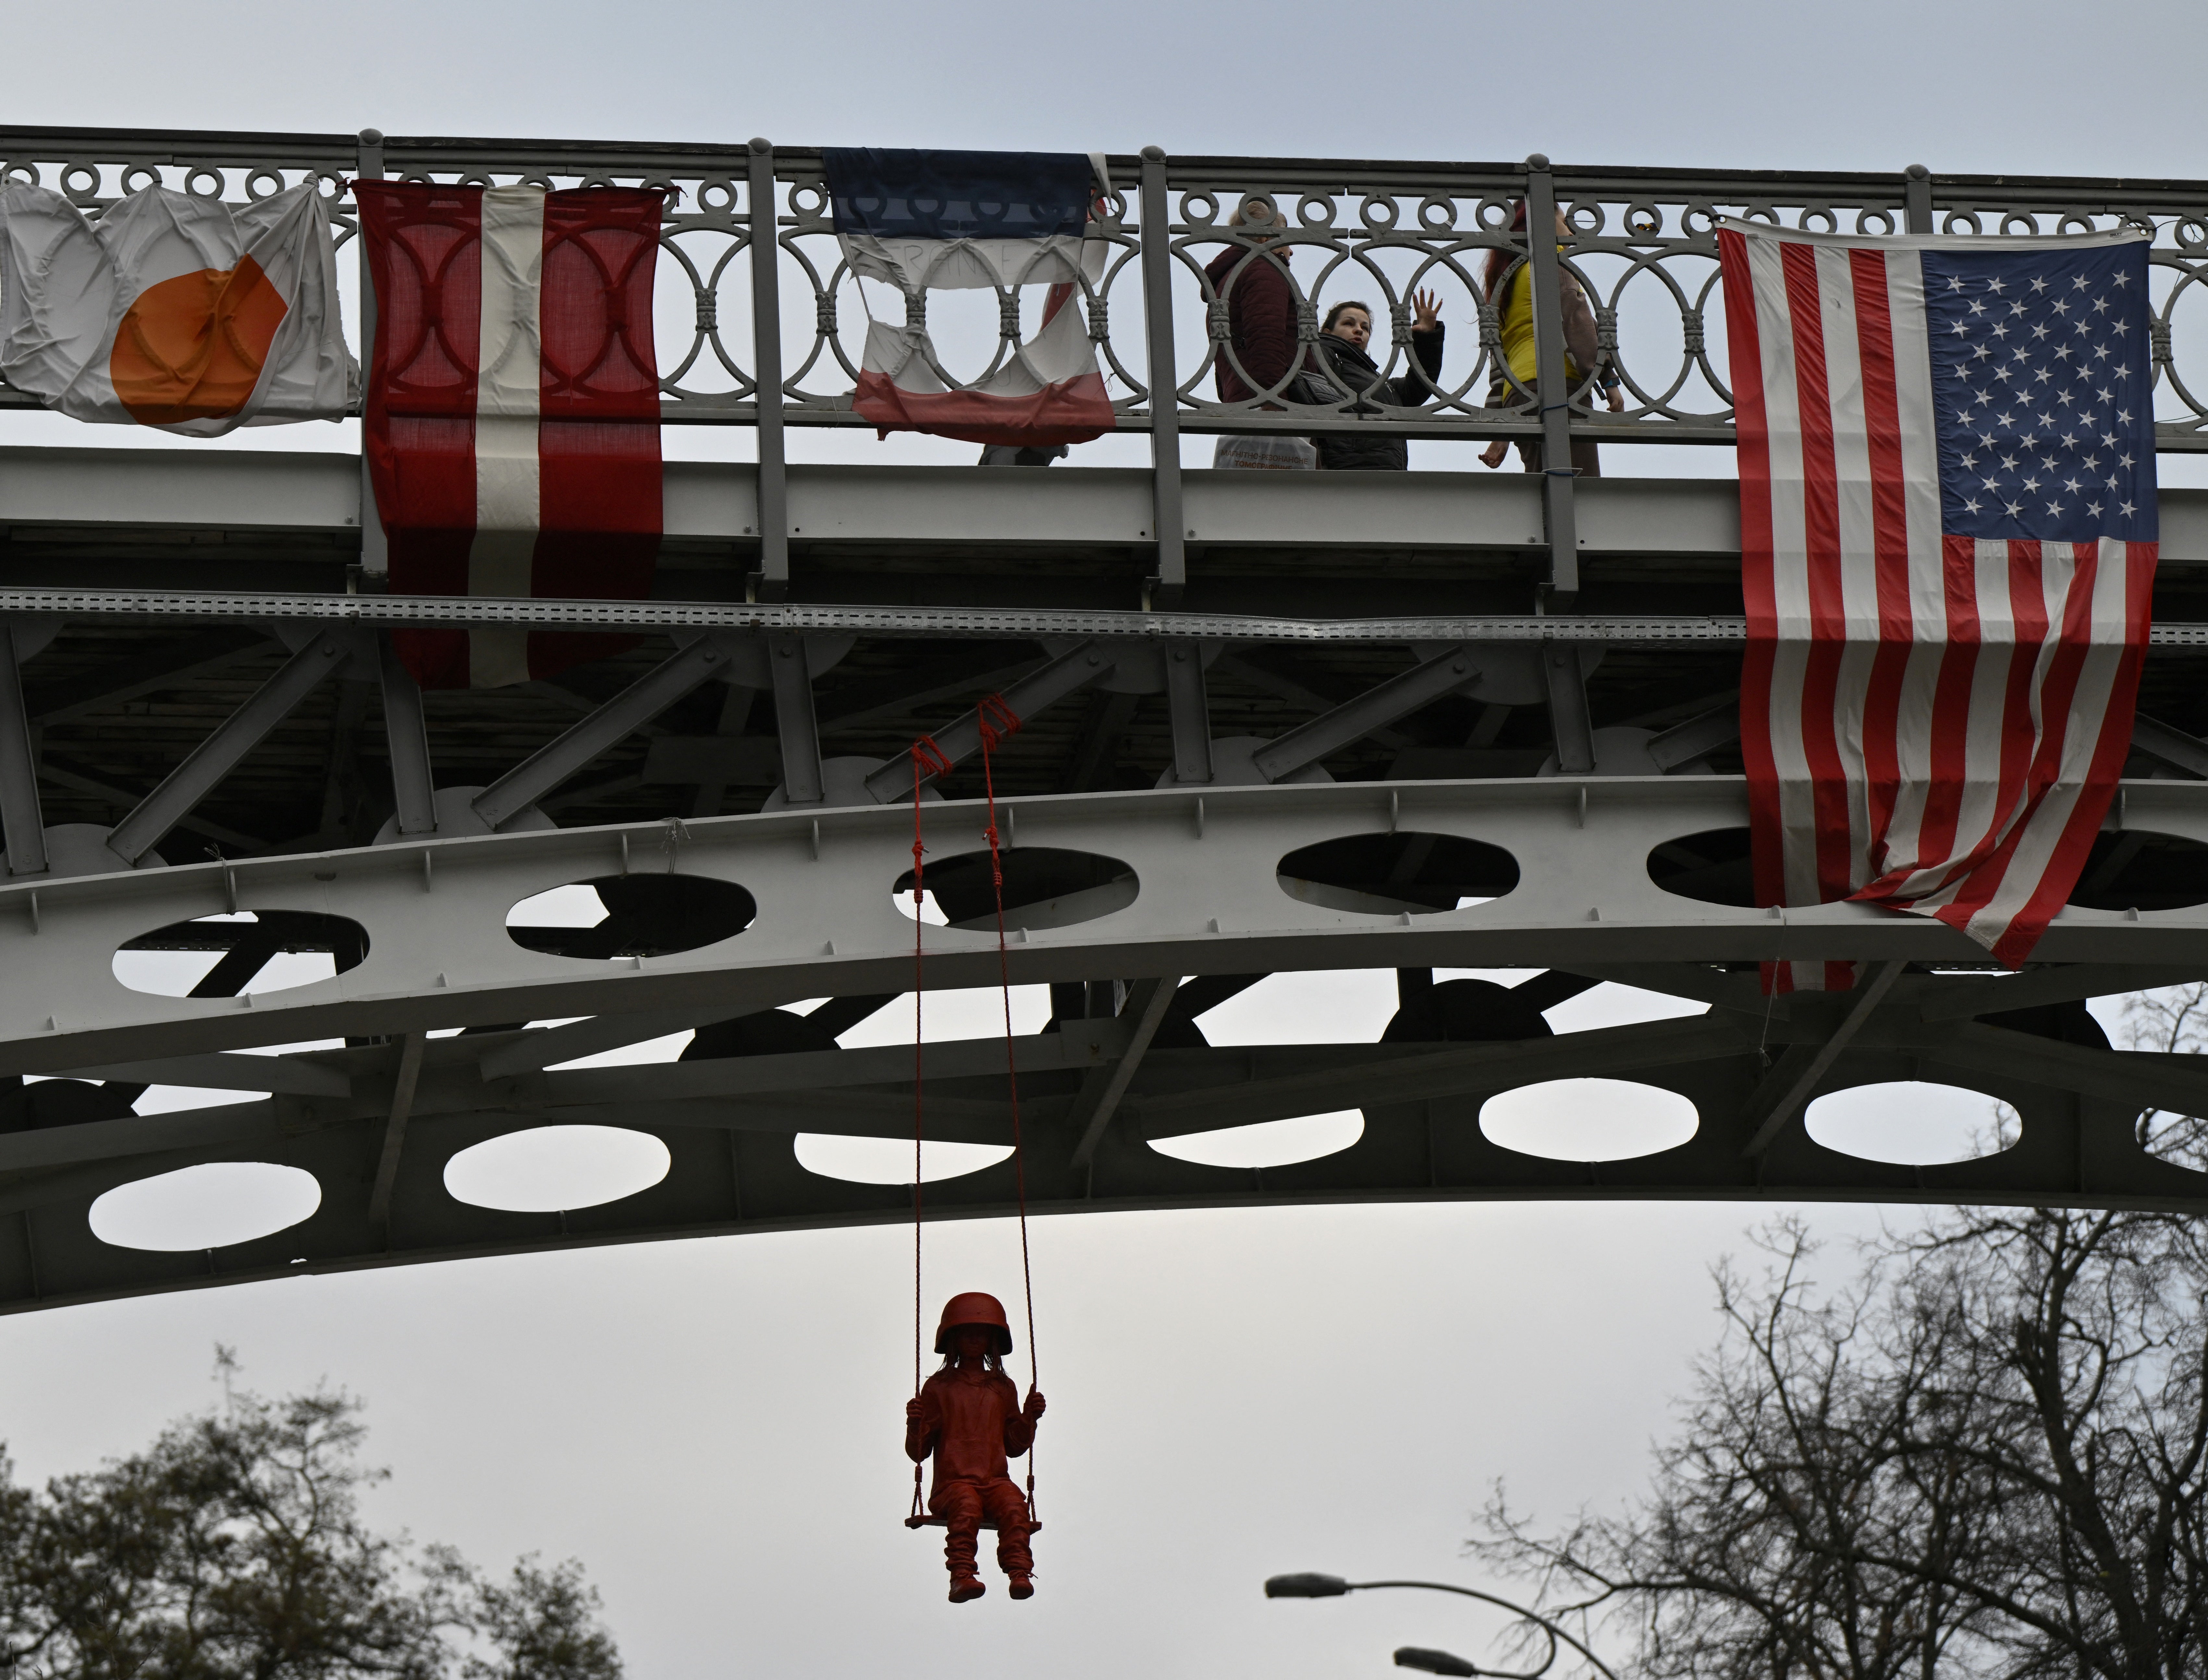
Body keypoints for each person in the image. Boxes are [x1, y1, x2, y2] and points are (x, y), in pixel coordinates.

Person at [904, 1291, 1046, 1603]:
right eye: (967, 1332)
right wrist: (915, 1424)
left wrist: (1029, 1418)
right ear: (953, 1338)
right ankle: (962, 1576)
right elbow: (919, 1452)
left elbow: (1014, 1446)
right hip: (953, 1486)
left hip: (995, 1481)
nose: (974, 1339)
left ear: (992, 1340)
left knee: (1013, 1506)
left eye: (981, 1333)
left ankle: (1019, 1572)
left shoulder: (1002, 1387)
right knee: (966, 1507)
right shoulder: (939, 1387)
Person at [1479, 200, 1623, 477]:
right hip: (1561, 388)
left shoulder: (1505, 282)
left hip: (1518, 397)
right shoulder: (1552, 262)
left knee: (1543, 489)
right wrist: (1608, 379)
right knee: (1580, 492)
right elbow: (1576, 320)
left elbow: (1500, 361)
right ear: (1546, 225)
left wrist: (1502, 430)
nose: (1570, 233)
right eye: (1565, 223)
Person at [1202, 198, 1316, 469]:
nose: (1291, 251)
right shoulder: (1264, 267)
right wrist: (1272, 399)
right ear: (1269, 235)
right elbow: (1266, 335)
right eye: (1287, 238)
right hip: (1270, 398)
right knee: (1285, 498)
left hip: (1243, 395)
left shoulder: (1228, 278)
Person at [1297, 292, 1445, 469]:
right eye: (1348, 323)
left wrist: (1427, 338)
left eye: (1365, 328)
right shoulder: (1323, 355)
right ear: (1328, 332)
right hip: (1346, 471)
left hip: (1385, 473)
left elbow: (1419, 387)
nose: (1359, 330)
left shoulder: (1380, 383)